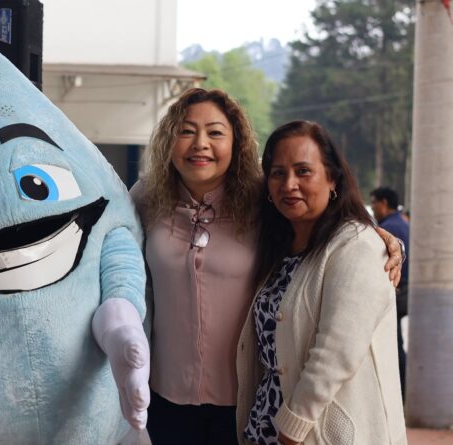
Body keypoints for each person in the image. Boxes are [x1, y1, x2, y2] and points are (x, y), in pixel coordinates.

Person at [130, 88, 403, 444]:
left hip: (241, 402)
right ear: (169, 140)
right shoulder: (146, 197)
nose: (200, 144)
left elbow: (322, 221)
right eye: (185, 131)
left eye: (215, 133)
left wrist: (384, 239)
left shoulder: (263, 198)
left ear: (237, 142)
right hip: (166, 398)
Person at [237, 121, 406, 445]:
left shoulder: (357, 245)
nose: (289, 184)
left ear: (333, 180)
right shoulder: (279, 246)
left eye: (303, 171)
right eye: (277, 173)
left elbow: (336, 351)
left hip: (314, 435)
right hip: (264, 428)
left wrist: (292, 426)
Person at [371, 186, 410, 399]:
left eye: (374, 202)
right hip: (405, 289)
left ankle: (399, 392)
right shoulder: (403, 223)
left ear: (383, 203)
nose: (374, 207)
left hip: (396, 289)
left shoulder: (387, 229)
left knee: (392, 344)